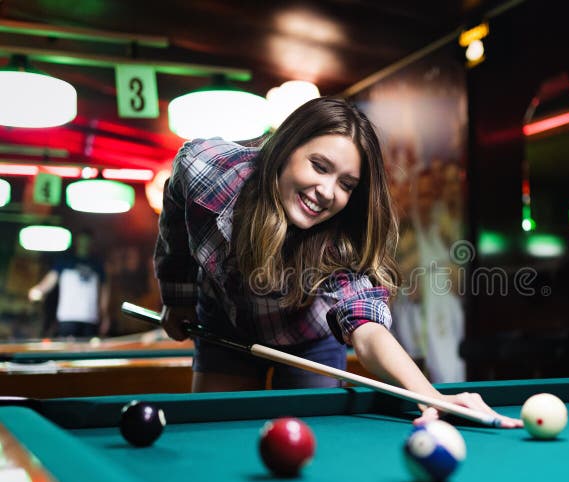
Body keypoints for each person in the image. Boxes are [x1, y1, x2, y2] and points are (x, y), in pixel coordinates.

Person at [154, 97, 520, 428]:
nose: (327, 192)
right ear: (285, 148)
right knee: (216, 437)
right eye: (319, 166)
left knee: (309, 447)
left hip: (310, 341)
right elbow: (174, 217)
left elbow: (368, 328)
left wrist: (432, 397)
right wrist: (178, 295)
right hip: (226, 329)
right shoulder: (206, 171)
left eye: (346, 184)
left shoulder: (342, 242)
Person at [28, 229, 110, 337]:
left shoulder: (97, 264)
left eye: (87, 240)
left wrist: (104, 315)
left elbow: (104, 291)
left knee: (87, 352)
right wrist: (38, 290)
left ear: (91, 242)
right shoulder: (64, 261)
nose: (84, 243)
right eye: (82, 240)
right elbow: (50, 281)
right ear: (77, 241)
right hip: (67, 317)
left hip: (90, 318)